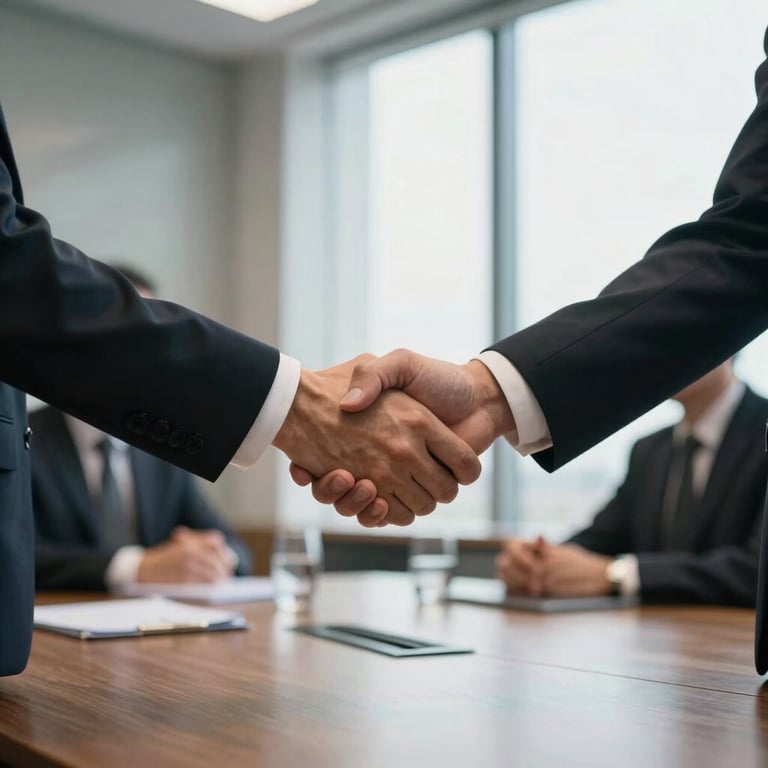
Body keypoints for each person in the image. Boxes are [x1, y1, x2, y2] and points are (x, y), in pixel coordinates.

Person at [300, 28, 768, 672]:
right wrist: (542, 557)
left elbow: (739, 257)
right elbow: (746, 243)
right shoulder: (649, 451)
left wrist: (613, 576)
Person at [0, 98, 482, 675]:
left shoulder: (157, 456)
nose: (148, 348)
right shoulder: (38, 432)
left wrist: (207, 556)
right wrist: (297, 407)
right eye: (140, 327)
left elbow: (224, 542)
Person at [31, 265, 252, 591]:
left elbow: (234, 547)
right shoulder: (24, 438)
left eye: (152, 333)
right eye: (125, 328)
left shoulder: (163, 444)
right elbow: (18, 556)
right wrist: (138, 567)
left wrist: (213, 558)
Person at [494, 361, 768, 607]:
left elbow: (756, 571)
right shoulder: (649, 450)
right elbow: (602, 537)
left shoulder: (762, 432)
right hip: (659, 646)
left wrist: (616, 575)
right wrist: (537, 561)